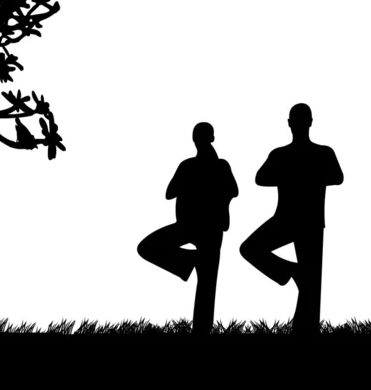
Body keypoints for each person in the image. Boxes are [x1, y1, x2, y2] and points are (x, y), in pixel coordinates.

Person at [240, 103, 343, 335]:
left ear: (290, 123)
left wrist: (291, 173)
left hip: (306, 221)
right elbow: (260, 178)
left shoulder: (319, 152)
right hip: (290, 219)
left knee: (311, 285)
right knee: (250, 249)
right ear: (310, 122)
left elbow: (338, 177)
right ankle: (292, 272)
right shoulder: (285, 154)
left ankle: (305, 330)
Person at [137, 122, 238, 335]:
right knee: (148, 247)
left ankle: (201, 332)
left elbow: (233, 191)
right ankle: (189, 261)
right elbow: (170, 192)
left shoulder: (218, 166)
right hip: (189, 225)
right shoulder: (190, 166)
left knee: (207, 283)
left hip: (208, 227)